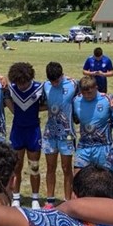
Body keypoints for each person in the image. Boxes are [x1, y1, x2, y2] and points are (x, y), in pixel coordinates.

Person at [5, 62, 44, 210]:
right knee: (16, 166)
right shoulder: (11, 89)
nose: (21, 85)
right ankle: (16, 197)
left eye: (24, 82)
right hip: (17, 131)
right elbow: (5, 98)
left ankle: (35, 198)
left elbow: (46, 103)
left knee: (34, 166)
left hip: (33, 131)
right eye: (18, 83)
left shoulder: (39, 88)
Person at [42, 62, 77, 207]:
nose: (54, 84)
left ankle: (67, 201)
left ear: (62, 75)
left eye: (56, 80)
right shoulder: (45, 86)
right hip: (50, 134)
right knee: (50, 167)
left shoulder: (73, 84)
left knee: (66, 167)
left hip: (67, 135)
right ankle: (50, 200)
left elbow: (92, 88)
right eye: (52, 81)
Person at [72, 75, 112, 171]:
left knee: (103, 180)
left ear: (96, 88)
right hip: (83, 146)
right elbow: (76, 119)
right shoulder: (76, 100)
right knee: (78, 179)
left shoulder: (107, 99)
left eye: (89, 92)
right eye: (83, 93)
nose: (86, 95)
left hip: (103, 147)